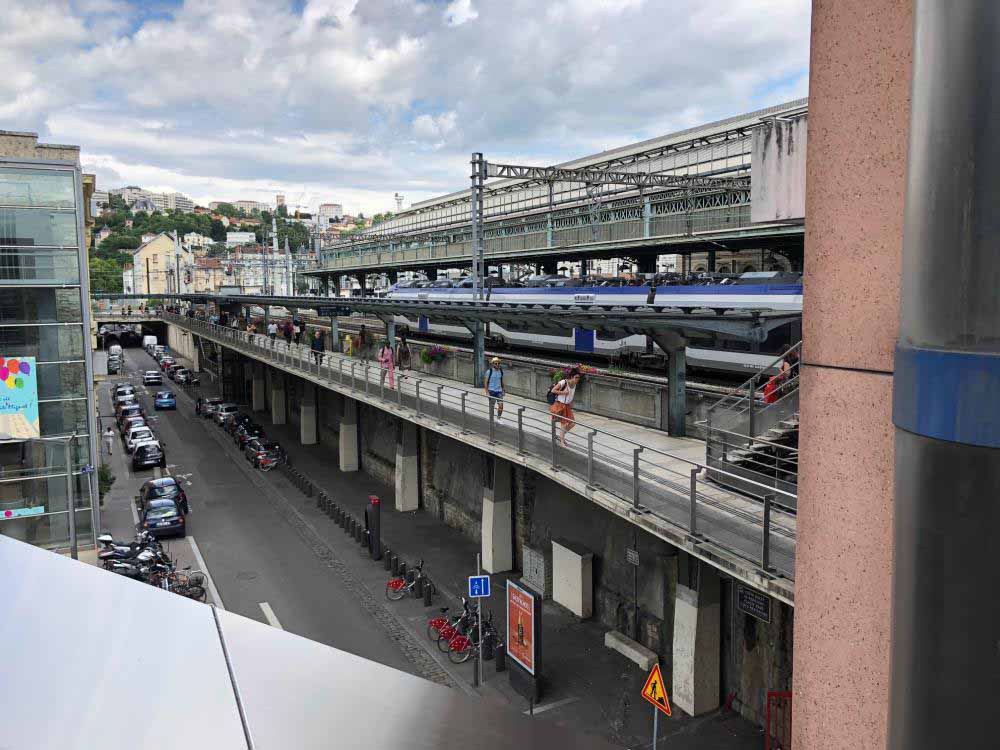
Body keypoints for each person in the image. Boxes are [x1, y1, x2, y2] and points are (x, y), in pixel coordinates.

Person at [549, 368, 582, 447]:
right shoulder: (563, 382)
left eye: (578, 378)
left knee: (572, 423)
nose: (577, 379)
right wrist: (563, 392)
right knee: (563, 424)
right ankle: (562, 442)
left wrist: (570, 403)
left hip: (567, 406)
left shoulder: (574, 384)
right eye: (576, 377)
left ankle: (561, 437)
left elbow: (571, 395)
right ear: (571, 377)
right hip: (560, 405)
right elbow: (553, 390)